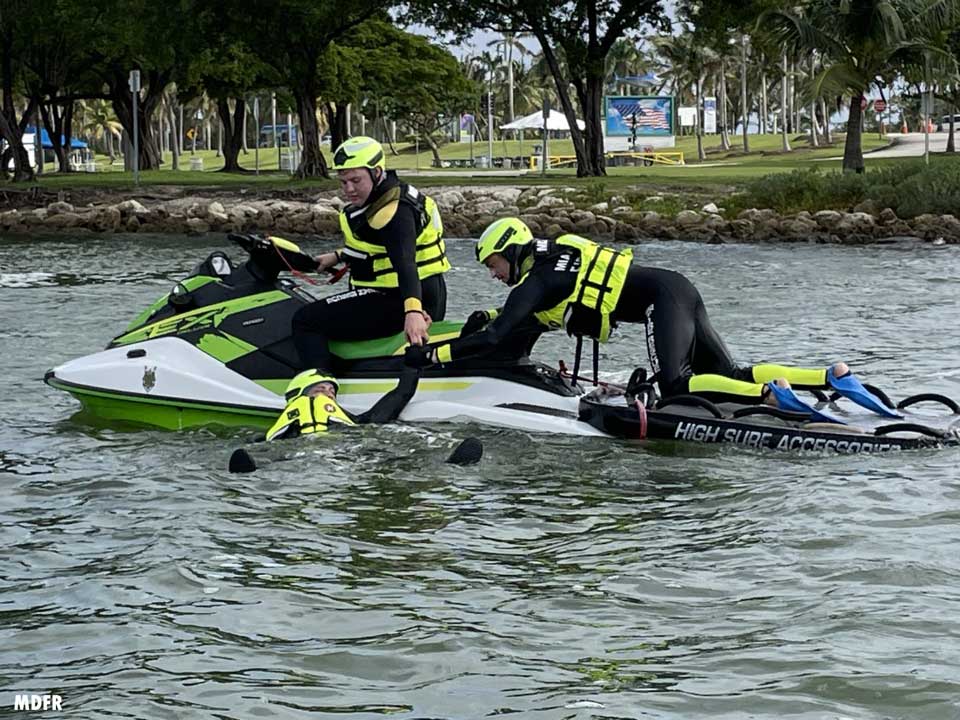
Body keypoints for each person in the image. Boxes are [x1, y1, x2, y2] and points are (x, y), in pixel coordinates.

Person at [403, 217, 891, 415]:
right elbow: (534, 316)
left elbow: (502, 333)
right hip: (678, 287)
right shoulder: (556, 253)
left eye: (494, 266)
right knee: (726, 374)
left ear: (511, 251)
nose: (495, 275)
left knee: (676, 386)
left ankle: (770, 396)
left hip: (664, 302)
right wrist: (488, 315)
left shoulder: (537, 280)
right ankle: (827, 375)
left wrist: (434, 353)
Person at [291, 136, 450, 373]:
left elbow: (406, 263)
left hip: (402, 297)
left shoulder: (394, 212)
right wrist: (338, 256)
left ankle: (320, 387)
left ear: (377, 172)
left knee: (305, 320)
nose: (349, 189)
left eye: (356, 180)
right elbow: (380, 246)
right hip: (420, 291)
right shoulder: (385, 197)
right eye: (343, 182)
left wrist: (413, 312)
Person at [228, 367, 482, 472]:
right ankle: (251, 473)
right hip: (297, 452)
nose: (328, 394)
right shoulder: (278, 431)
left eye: (332, 392)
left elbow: (400, 393)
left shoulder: (356, 421)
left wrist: (414, 360)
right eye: (320, 390)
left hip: (349, 451)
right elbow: (260, 442)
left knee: (391, 457)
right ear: (297, 395)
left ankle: (448, 464)